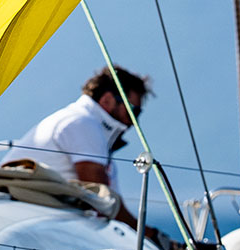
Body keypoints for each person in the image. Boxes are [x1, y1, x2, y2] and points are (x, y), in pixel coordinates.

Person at [12, 66, 152, 228]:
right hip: (34, 218)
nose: (133, 122)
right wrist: (149, 235)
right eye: (133, 112)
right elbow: (102, 201)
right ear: (107, 100)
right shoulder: (84, 124)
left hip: (33, 215)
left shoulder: (78, 120)